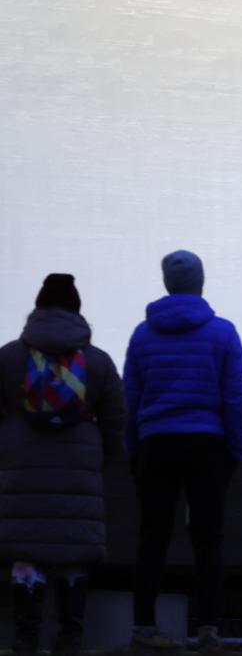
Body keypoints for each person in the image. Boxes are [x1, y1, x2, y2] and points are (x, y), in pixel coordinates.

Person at [123, 251, 242, 652]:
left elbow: (130, 399)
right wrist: (235, 450)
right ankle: (209, 629)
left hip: (155, 444)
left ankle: (144, 628)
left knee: (152, 537)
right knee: (208, 538)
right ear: (200, 283)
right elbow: (236, 397)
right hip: (208, 445)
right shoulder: (223, 333)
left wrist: (133, 451)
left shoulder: (143, 335)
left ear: (167, 283)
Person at [0, 274, 125, 655]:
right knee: (74, 555)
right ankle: (70, 637)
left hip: (21, 466)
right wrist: (99, 457)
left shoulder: (9, 357)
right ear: (77, 311)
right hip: (78, 467)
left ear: (37, 309)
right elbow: (116, 421)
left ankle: (26, 637)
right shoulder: (98, 362)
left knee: (26, 554)